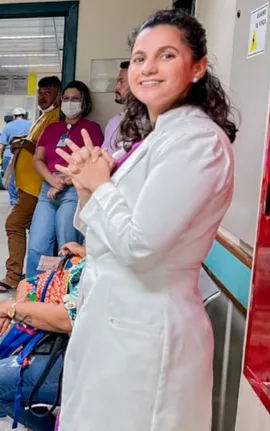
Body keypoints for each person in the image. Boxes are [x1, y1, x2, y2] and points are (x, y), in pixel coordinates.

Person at [56, 10, 236, 430]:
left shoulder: (197, 141)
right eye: (139, 58)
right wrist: (87, 186)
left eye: (166, 55)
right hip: (117, 319)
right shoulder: (158, 136)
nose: (148, 68)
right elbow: (104, 230)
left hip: (148, 331)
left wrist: (100, 187)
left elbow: (139, 246)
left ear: (197, 68)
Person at [0, 242, 86, 431]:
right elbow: (27, 283)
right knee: (31, 291)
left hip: (91, 366)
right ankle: (9, 342)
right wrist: (18, 311)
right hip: (81, 346)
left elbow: (66, 319)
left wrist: (11, 308)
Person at [0, 77, 62, 293]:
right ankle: (31, 276)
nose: (42, 96)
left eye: (48, 91)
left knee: (14, 224)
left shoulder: (57, 118)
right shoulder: (43, 117)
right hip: (27, 186)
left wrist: (24, 143)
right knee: (34, 231)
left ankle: (14, 276)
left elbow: (47, 148)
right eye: (40, 92)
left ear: (59, 94)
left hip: (38, 187)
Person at [26, 81, 103, 277]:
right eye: (66, 99)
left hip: (73, 191)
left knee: (67, 243)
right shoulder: (51, 128)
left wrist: (65, 180)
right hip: (48, 191)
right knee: (37, 243)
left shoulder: (91, 129)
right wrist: (53, 181)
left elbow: (93, 161)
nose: (70, 103)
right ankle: (34, 289)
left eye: (75, 99)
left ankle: (66, 295)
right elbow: (37, 159)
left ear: (84, 103)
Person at [0, 107, 32, 203]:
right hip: (25, 154)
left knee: (10, 177)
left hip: (9, 154)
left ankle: (13, 199)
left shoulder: (8, 126)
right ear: (24, 115)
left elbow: (1, 144)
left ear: (14, 116)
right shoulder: (30, 125)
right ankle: (22, 198)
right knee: (25, 176)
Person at [101, 61, 130, 153]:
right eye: (117, 82)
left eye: (122, 82)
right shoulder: (113, 122)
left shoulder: (151, 122)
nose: (116, 87)